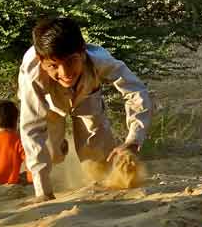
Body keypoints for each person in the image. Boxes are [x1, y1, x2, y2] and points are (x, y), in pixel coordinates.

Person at [18, 17, 153, 201]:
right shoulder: (32, 77)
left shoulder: (99, 59)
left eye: (71, 61)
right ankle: (59, 145)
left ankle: (106, 185)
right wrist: (43, 192)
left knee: (95, 151)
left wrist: (134, 139)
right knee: (51, 154)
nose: (65, 73)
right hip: (49, 103)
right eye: (54, 66)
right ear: (41, 61)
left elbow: (135, 91)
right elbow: (32, 129)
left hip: (86, 94)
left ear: (82, 52)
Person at [0, 99, 31, 185]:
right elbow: (31, 163)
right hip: (9, 188)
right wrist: (29, 179)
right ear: (15, 119)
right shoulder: (18, 140)